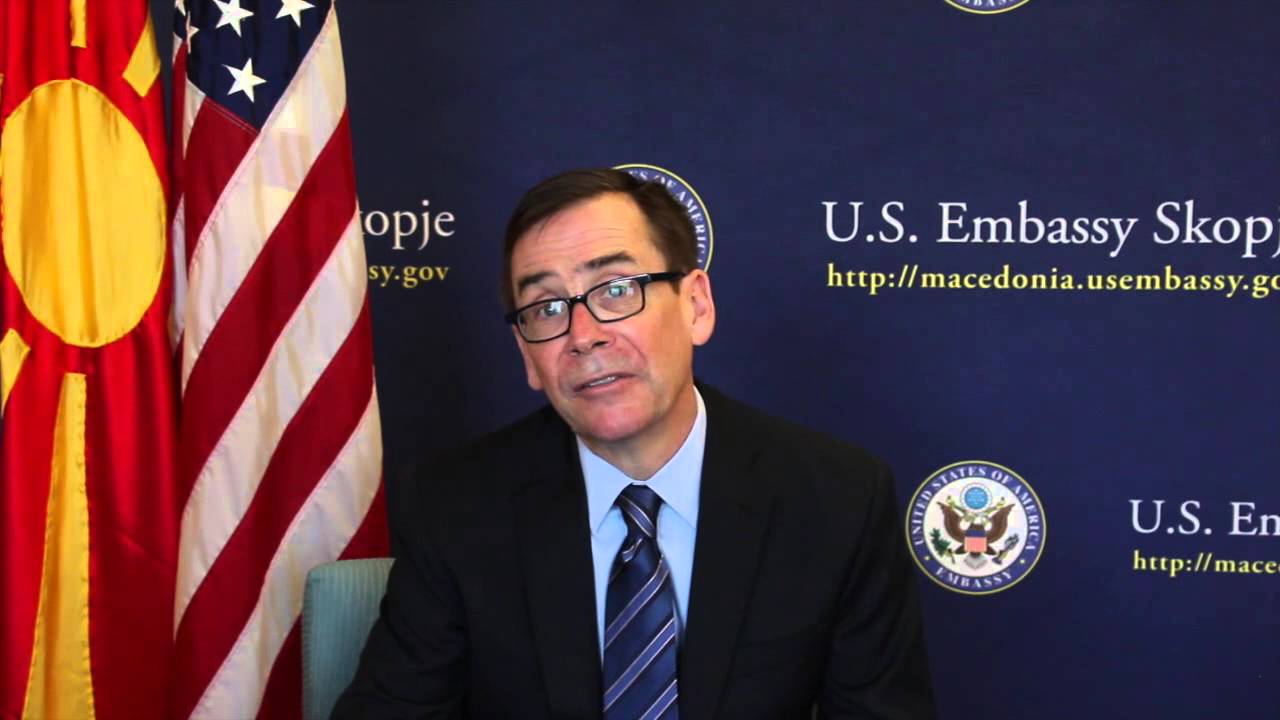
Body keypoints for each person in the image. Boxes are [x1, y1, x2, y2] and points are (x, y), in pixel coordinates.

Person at [334, 168, 936, 719]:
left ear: (696, 306)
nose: (584, 335)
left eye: (617, 289)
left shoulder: (836, 500)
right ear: (527, 355)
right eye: (546, 308)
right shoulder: (457, 506)